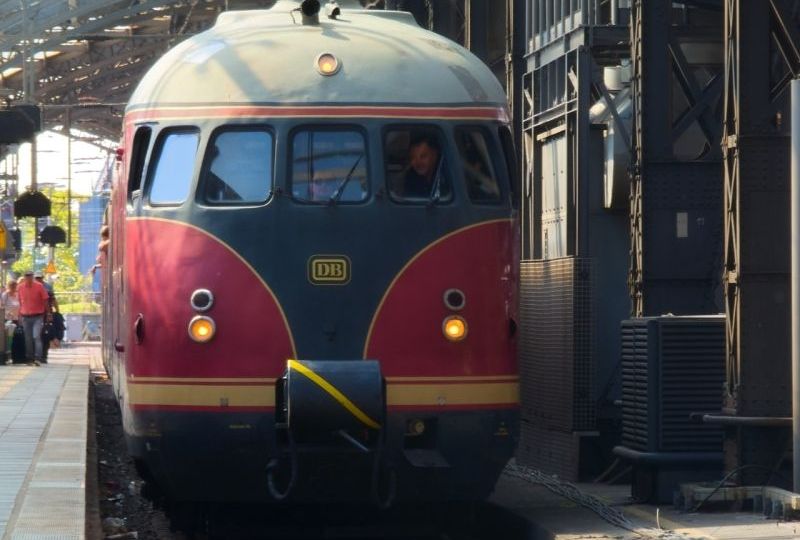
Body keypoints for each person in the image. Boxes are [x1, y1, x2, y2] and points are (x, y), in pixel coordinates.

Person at [17, 270, 50, 366]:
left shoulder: (39, 286)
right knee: (28, 338)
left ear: (32, 276)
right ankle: (29, 358)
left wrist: (48, 313)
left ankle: (38, 358)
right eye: (26, 276)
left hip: (38, 316)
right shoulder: (20, 287)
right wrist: (19, 315)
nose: (28, 277)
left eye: (30, 276)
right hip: (25, 316)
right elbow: (20, 302)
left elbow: (45, 300)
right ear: (25, 277)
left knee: (36, 336)